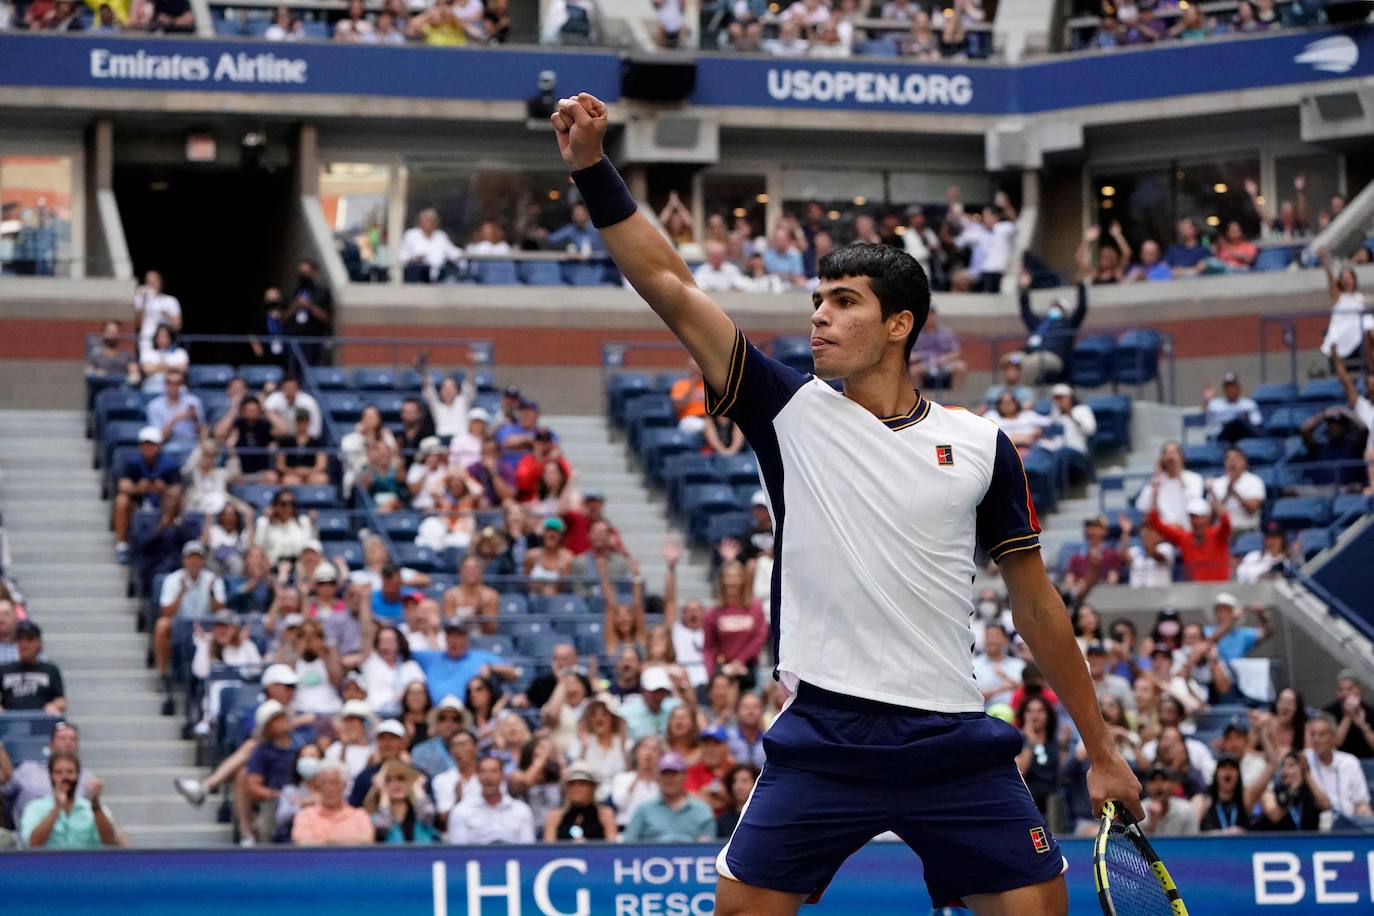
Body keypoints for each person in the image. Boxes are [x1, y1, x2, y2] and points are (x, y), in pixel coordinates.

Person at [551, 92, 1139, 915]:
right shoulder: (783, 410)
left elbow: (1036, 604)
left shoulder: (981, 443)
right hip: (826, 735)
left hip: (951, 738)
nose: (819, 317)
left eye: (844, 302)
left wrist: (1101, 748)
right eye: (817, 302)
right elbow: (671, 286)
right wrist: (591, 169)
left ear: (901, 325)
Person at [0, 722, 97, 828]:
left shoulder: (87, 778)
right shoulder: (27, 769)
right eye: (62, 738)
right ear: (50, 744)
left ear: (77, 746)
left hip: (72, 839)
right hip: (26, 839)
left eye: (72, 739)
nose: (68, 743)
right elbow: (4, 790)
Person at [20, 752, 118, 849]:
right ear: (50, 775)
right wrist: (56, 809)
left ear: (78, 774)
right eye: (58, 772)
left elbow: (110, 842)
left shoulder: (92, 808)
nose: (64, 777)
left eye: (70, 772)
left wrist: (95, 805)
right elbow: (32, 844)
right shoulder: (35, 808)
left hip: (87, 863)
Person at [113, 425, 183, 563]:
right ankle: (122, 545)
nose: (148, 448)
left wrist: (163, 489)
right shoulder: (133, 463)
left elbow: (176, 490)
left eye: (152, 445)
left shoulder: (169, 465)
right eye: (145, 445)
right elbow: (123, 485)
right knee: (122, 500)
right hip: (139, 502)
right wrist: (138, 488)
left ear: (159, 446)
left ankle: (165, 539)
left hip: (162, 502)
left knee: (175, 500)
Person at [413, 621, 517, 704]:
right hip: (436, 715)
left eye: (458, 636)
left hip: (469, 716)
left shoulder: (480, 657)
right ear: (445, 638)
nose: (454, 641)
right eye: (451, 636)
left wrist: (492, 668)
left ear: (466, 639)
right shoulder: (432, 657)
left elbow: (513, 674)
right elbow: (402, 650)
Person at [1015, 272, 1087, 384]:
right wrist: (1024, 289)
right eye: (1053, 306)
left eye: (1058, 307)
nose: (1055, 309)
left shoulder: (1068, 324)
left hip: (1053, 357)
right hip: (1031, 353)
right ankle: (1006, 393)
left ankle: (1022, 395)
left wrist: (1080, 285)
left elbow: (1082, 309)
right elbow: (1026, 312)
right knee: (1012, 360)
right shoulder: (1039, 324)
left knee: (1033, 362)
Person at [446, 755, 536, 844]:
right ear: (477, 776)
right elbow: (458, 853)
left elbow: (528, 850)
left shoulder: (521, 810)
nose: (488, 777)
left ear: (502, 775)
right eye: (483, 772)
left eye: (493, 771)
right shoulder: (461, 811)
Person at [1303, 714, 1373, 823]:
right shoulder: (1304, 760)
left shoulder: (1350, 762)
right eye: (1313, 735)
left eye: (1322, 735)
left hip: (1348, 825)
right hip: (1316, 824)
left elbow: (1361, 803)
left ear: (1333, 738)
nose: (1316, 739)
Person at [291, 760, 374, 845]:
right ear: (318, 786)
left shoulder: (360, 815)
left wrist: (326, 841)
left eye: (333, 783)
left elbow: (367, 839)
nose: (328, 788)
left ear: (344, 786)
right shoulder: (305, 815)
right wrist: (342, 841)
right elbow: (300, 840)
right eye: (323, 783)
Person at [1318, 249, 1373, 365]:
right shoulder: (1338, 297)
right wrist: (1326, 263)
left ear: (1354, 279)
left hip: (1361, 334)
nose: (1347, 280)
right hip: (1343, 332)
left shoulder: (1360, 297)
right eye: (1344, 278)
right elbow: (1331, 282)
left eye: (1349, 277)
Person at [365, 758, 438, 844]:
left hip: (423, 856)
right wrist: (383, 793)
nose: (396, 783)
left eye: (401, 778)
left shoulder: (419, 812)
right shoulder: (374, 817)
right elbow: (382, 827)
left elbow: (428, 814)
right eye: (388, 780)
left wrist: (417, 788)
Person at [1134, 441, 1204, 530]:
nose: (1171, 457)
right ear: (1162, 458)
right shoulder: (1156, 480)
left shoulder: (1195, 478)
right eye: (1167, 453)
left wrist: (1179, 476)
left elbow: (1195, 504)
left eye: (1174, 453)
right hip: (1163, 534)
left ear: (1181, 457)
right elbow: (1142, 506)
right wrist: (1156, 479)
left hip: (1187, 532)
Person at [0, 620, 65, 714]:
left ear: (39, 642)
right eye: (20, 639)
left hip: (41, 721)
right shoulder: (3, 670)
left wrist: (54, 706)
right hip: (11, 722)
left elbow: (61, 700)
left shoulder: (50, 670)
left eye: (29, 639)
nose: (24, 644)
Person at [544, 763, 617, 841]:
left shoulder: (605, 815)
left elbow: (611, 847)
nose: (576, 788)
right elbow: (549, 848)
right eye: (572, 784)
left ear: (592, 787)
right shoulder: (555, 817)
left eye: (582, 783)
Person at [1258, 751, 1328, 831]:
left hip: (1309, 841)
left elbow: (1326, 805)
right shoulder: (1272, 792)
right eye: (1283, 766)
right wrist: (1292, 790)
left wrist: (1306, 774)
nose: (1285, 770)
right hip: (1281, 841)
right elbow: (1275, 816)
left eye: (1291, 766)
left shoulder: (1311, 792)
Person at [906, 306, 966, 391]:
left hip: (943, 363)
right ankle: (918, 400)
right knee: (914, 371)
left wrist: (946, 358)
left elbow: (957, 352)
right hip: (924, 364)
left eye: (931, 316)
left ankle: (955, 398)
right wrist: (917, 357)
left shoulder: (946, 333)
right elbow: (908, 353)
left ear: (935, 316)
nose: (929, 318)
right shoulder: (915, 334)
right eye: (927, 316)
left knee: (960, 367)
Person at [1063, 516, 1121, 603]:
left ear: (1104, 531)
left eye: (1095, 527)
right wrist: (1077, 586)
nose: (1092, 531)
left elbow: (1112, 581)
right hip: (1080, 599)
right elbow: (1069, 583)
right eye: (1089, 527)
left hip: (1103, 598)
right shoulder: (1076, 558)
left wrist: (1091, 585)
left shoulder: (1111, 555)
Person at [1209, 448, 1266, 535]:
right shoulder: (1217, 483)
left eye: (1236, 458)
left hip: (1247, 531)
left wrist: (1235, 494)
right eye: (1228, 459)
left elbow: (1253, 508)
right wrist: (1226, 496)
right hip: (1222, 532)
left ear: (1245, 462)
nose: (1232, 462)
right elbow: (1212, 516)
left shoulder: (1254, 481)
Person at [971, 623, 1023, 709]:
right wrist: (999, 689)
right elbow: (972, 697)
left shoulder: (1018, 665)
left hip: (1015, 717)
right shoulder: (973, 665)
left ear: (1005, 639)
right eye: (988, 636)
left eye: (995, 636)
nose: (991, 640)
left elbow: (1028, 690)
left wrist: (1006, 676)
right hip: (986, 716)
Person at [1203, 372, 1262, 445]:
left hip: (1243, 437)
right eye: (1227, 387)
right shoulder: (1214, 405)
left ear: (1239, 388)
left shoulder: (1248, 404)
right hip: (1221, 437)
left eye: (1233, 387)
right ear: (1223, 389)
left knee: (1239, 423)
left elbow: (1256, 423)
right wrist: (1206, 401)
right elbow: (1206, 418)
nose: (1230, 390)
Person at [1140, 767, 1199, 837]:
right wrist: (1152, 825)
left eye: (1164, 779)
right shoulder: (1138, 811)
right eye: (1153, 780)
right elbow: (1134, 846)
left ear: (1173, 785)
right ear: (1146, 786)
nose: (1159, 785)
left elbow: (1193, 843)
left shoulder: (1186, 810)